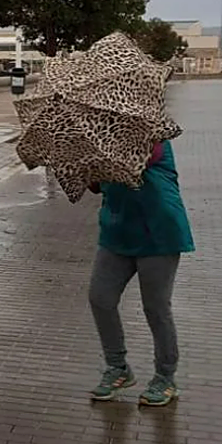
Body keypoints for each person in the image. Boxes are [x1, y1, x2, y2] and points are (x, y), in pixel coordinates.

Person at [87, 140, 194, 406]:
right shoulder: (98, 138)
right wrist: (83, 166)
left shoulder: (152, 135)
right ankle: (118, 368)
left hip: (158, 232)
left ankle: (165, 377)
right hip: (117, 232)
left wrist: (94, 155)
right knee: (100, 298)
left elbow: (131, 163)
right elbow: (96, 184)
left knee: (155, 307)